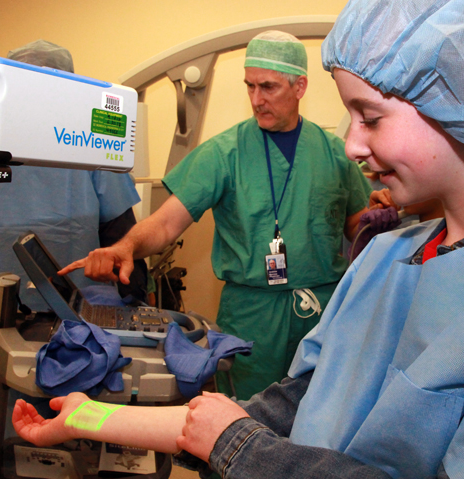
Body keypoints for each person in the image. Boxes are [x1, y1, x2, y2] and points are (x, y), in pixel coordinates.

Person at [14, 1, 464, 477]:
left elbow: (246, 438)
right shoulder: (393, 258)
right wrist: (88, 416)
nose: (352, 144)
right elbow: (291, 405)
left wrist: (246, 454)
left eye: (370, 117)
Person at [59, 30, 372, 400]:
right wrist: (125, 247)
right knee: (248, 417)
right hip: (252, 315)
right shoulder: (224, 154)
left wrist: (374, 219)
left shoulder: (336, 153)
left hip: (323, 313)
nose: (256, 99)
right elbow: (165, 224)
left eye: (268, 87)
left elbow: (355, 224)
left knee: (320, 414)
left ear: (300, 86)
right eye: (250, 86)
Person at [0, 40, 146, 350]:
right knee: (69, 391)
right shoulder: (88, 144)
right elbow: (122, 236)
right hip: (74, 323)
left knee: (2, 387)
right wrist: (138, 300)